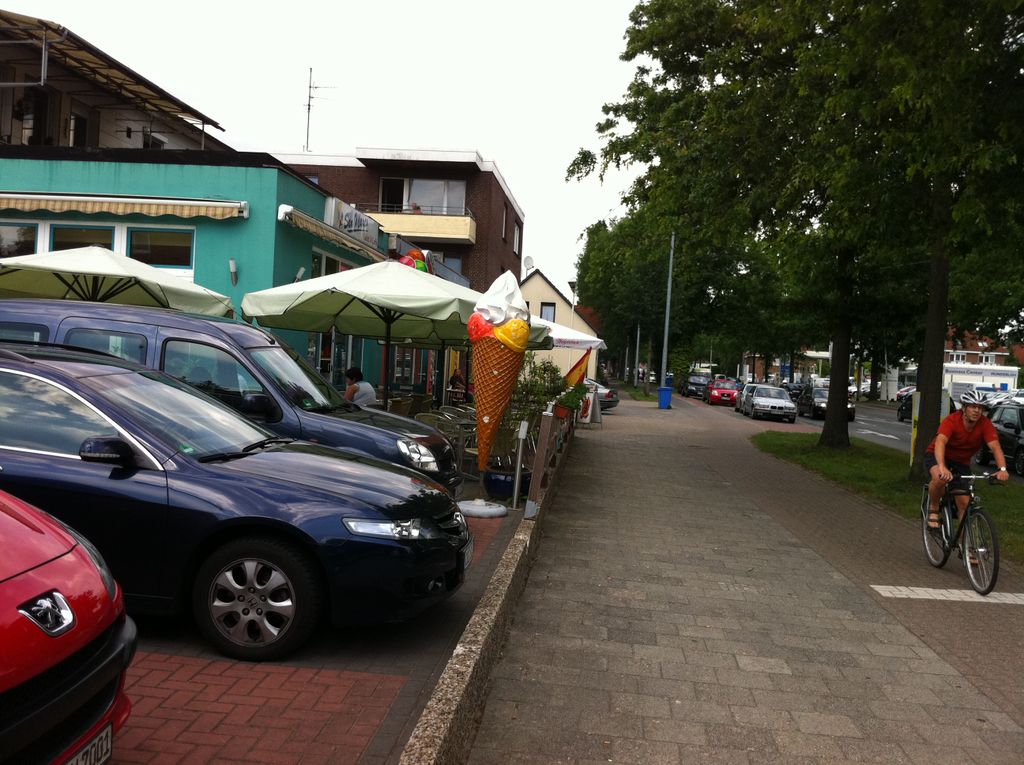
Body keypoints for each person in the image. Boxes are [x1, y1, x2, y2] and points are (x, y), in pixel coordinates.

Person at [925, 389, 1008, 529]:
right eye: (972, 406)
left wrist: (1002, 469)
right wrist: (942, 466)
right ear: (964, 408)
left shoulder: (985, 424)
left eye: (980, 408)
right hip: (938, 455)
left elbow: (995, 447)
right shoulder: (952, 420)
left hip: (960, 462)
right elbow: (940, 442)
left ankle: (966, 548)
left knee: (964, 503)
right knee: (939, 478)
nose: (977, 411)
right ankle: (933, 508)